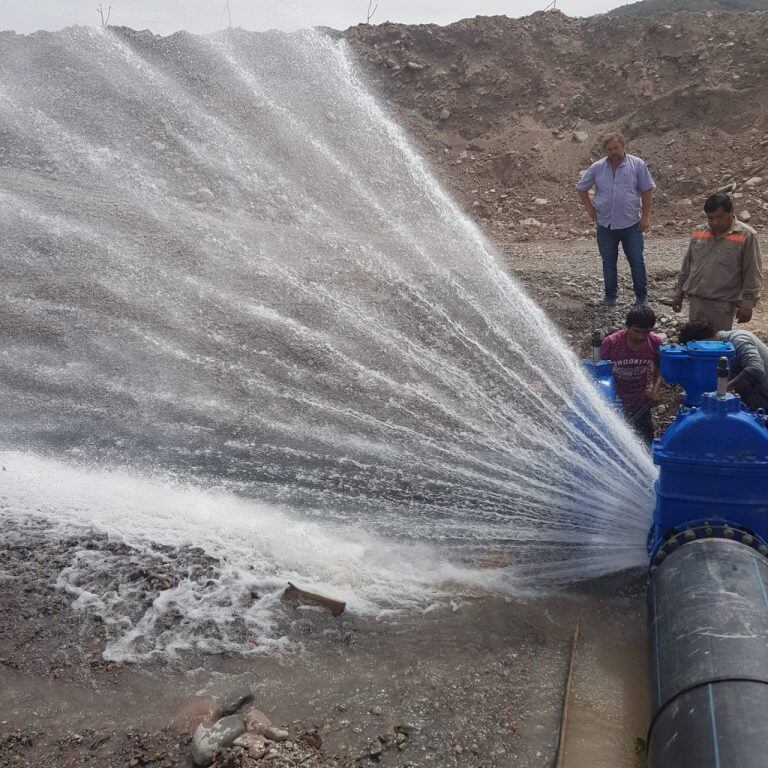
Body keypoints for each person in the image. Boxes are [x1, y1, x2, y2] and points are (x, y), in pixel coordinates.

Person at [576, 131, 656, 308]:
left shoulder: (637, 165)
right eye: (610, 149)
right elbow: (581, 188)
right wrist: (589, 208)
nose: (613, 152)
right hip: (605, 224)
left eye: (616, 148)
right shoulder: (597, 167)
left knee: (636, 260)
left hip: (631, 224)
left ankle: (641, 298)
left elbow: (647, 190)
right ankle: (610, 297)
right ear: (605, 150)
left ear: (623, 146)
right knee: (608, 262)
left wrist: (646, 217)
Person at [672, 193, 763, 331]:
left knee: (717, 347)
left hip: (723, 305)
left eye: (719, 217)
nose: (714, 222)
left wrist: (747, 305)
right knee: (695, 346)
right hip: (696, 301)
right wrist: (679, 293)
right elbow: (687, 265)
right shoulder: (699, 232)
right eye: (710, 218)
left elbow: (753, 272)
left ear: (731, 211)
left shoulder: (747, 235)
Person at [599, 305, 663, 444]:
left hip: (639, 403)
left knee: (646, 442)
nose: (641, 337)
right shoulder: (611, 343)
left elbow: (660, 366)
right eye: (637, 331)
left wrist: (655, 390)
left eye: (646, 332)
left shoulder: (655, 342)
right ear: (627, 326)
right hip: (614, 402)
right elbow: (599, 373)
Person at [678, 319, 768, 411]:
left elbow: (756, 369)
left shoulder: (738, 338)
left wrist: (721, 392)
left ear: (704, 343)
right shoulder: (716, 352)